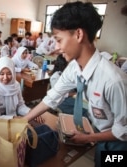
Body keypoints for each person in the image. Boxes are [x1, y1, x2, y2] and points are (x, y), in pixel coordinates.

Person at [23, 2, 127, 167]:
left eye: (58, 40)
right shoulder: (74, 68)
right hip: (101, 135)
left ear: (78, 34)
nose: (56, 48)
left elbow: (123, 131)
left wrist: (88, 138)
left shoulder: (113, 81)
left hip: (120, 145)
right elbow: (53, 97)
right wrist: (23, 120)